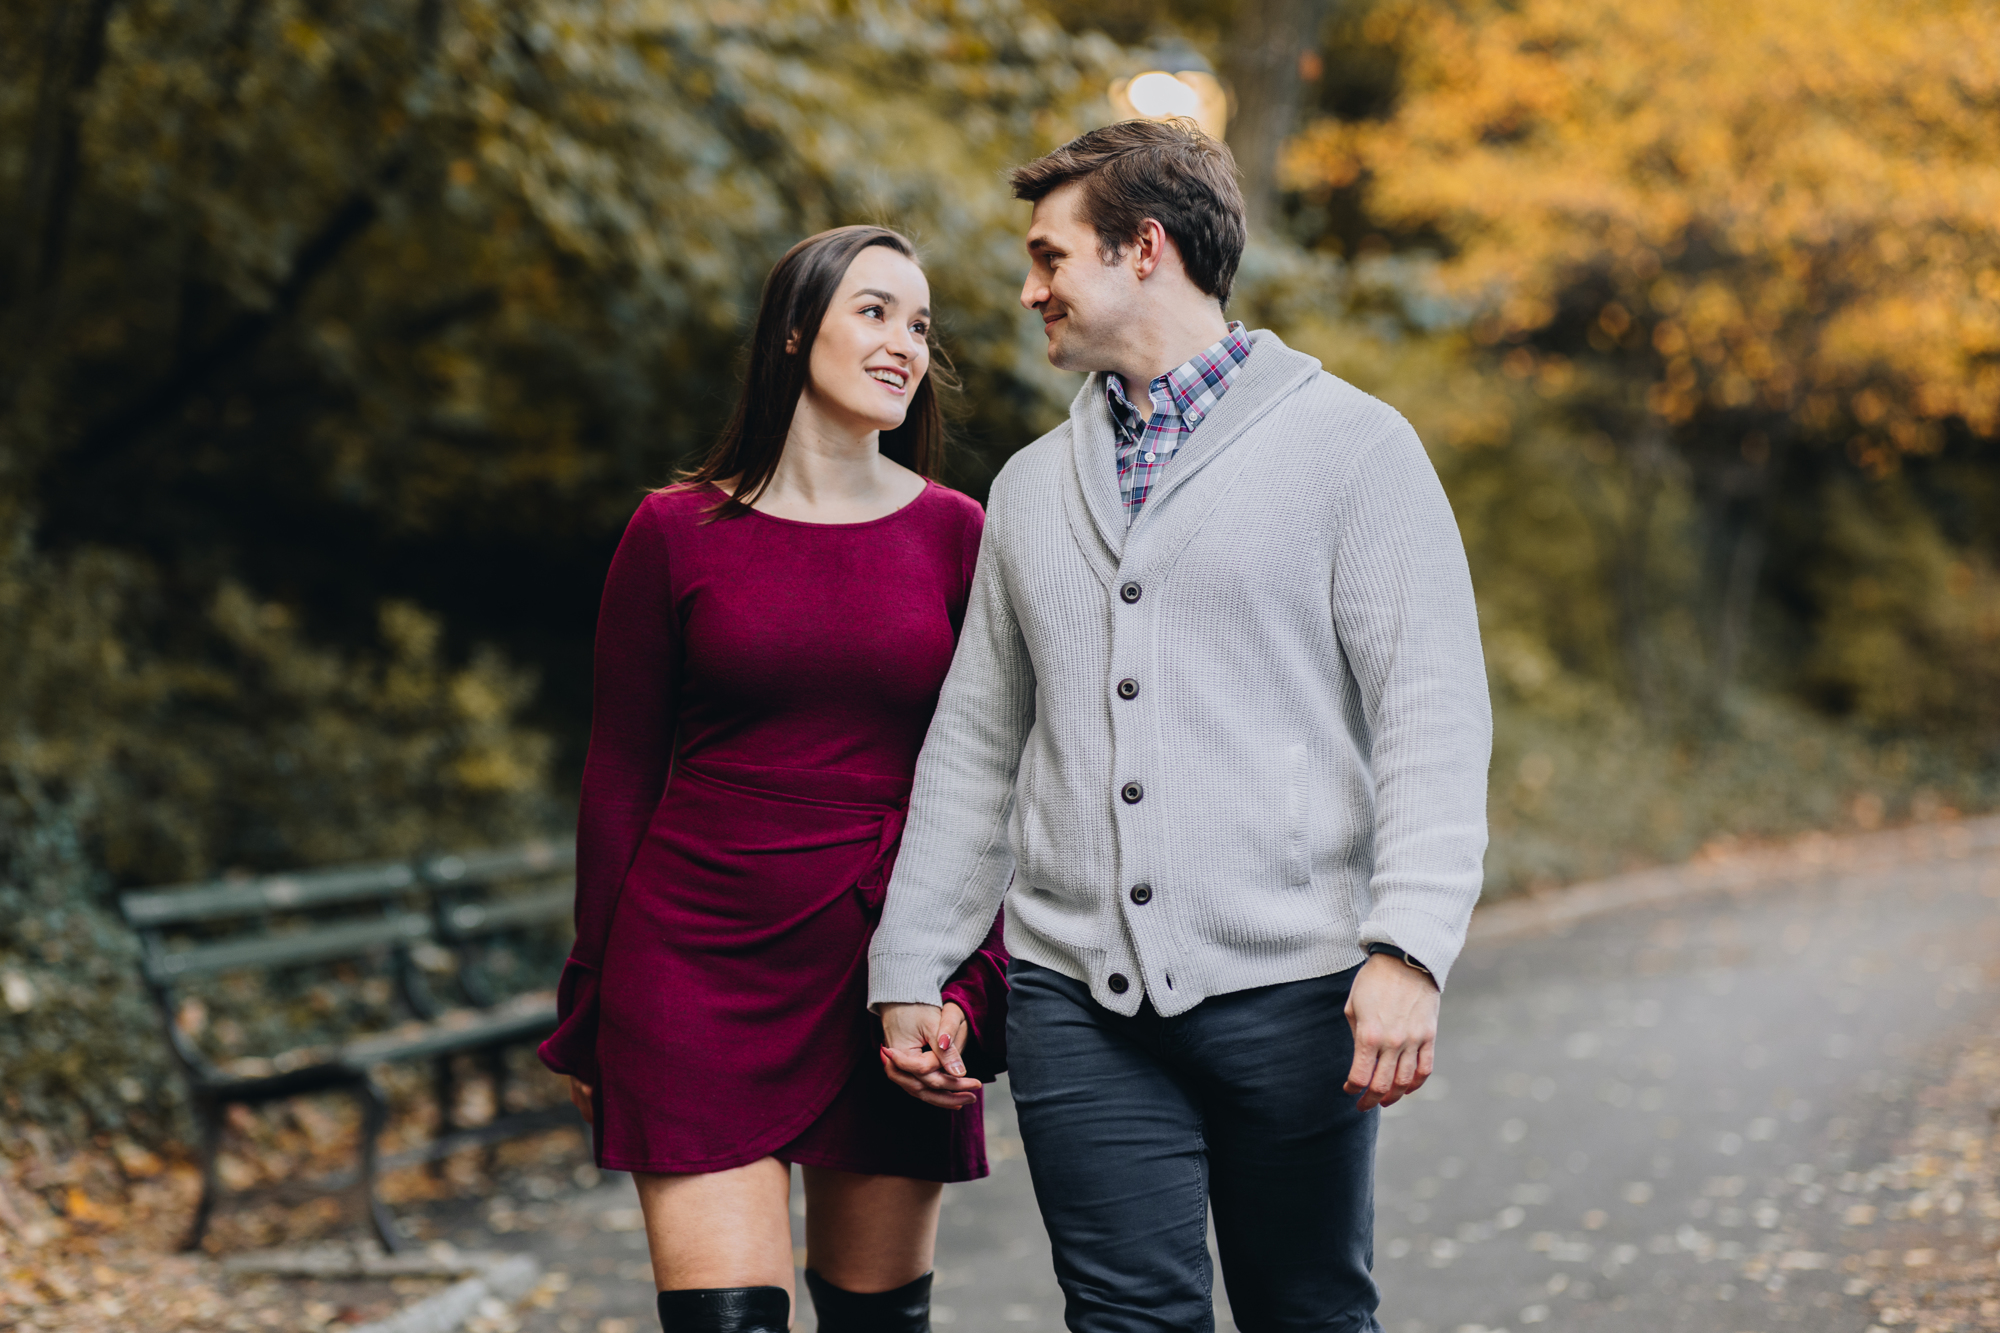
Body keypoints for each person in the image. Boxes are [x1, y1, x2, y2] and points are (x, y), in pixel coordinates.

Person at [869, 120, 1492, 1332]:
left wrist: (1408, 945)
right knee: (1122, 1320)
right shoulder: (1030, 490)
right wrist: (914, 963)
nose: (1027, 287)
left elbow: (1429, 712)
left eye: (1050, 257)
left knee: (1305, 1308)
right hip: (1073, 1001)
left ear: (1142, 248)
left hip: (1297, 990)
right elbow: (975, 750)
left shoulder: (1353, 448)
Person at [539, 224, 1008, 1333]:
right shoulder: (673, 531)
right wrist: (591, 992)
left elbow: (990, 782)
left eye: (921, 323)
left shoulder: (959, 534)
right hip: (692, 961)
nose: (905, 342)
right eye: (875, 310)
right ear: (795, 332)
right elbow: (618, 775)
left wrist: (966, 988)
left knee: (875, 1321)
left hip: (884, 969)